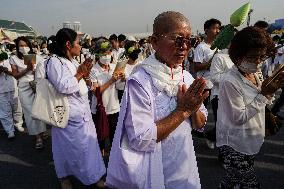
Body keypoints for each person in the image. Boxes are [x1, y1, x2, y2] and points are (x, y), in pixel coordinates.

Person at [106, 11, 208, 189]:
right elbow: (141, 139)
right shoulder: (140, 81)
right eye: (178, 39)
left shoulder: (186, 77)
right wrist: (182, 111)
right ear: (154, 41)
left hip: (184, 166)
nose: (184, 47)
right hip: (154, 169)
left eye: (189, 40)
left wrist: (194, 109)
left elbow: (200, 124)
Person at [216, 27, 284, 189]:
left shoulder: (256, 73)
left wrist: (270, 89)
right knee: (249, 184)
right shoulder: (229, 81)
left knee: (232, 180)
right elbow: (239, 117)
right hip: (235, 143)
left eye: (261, 57)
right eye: (252, 57)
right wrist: (264, 94)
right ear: (237, 55)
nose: (257, 62)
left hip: (252, 138)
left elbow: (264, 102)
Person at [46, 28, 105, 189]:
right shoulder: (54, 62)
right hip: (67, 114)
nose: (80, 46)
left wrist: (86, 77)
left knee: (87, 148)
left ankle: (93, 176)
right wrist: (80, 74)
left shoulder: (71, 61)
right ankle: (64, 177)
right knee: (70, 150)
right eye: (78, 43)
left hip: (82, 112)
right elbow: (63, 86)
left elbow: (81, 81)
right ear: (68, 44)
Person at [10, 36, 46, 149]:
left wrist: (35, 71)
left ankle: (41, 132)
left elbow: (42, 72)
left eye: (25, 45)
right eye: (21, 45)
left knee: (39, 109)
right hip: (23, 87)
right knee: (30, 112)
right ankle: (38, 137)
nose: (23, 47)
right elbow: (15, 76)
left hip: (36, 85)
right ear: (17, 47)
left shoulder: (36, 57)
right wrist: (27, 69)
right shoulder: (14, 58)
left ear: (29, 46)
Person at [89, 38, 124, 155]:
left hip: (114, 107)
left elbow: (118, 87)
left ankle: (114, 161)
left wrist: (122, 79)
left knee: (115, 136)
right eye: (104, 53)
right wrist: (111, 80)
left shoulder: (114, 66)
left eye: (109, 52)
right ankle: (99, 160)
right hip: (100, 109)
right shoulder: (93, 70)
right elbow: (96, 92)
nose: (107, 55)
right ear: (98, 54)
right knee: (100, 138)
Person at [193, 18, 221, 149]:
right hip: (205, 83)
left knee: (220, 114)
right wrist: (211, 63)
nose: (218, 31)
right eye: (215, 28)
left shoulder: (220, 47)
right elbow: (196, 67)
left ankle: (213, 135)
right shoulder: (201, 47)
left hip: (218, 86)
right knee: (201, 109)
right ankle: (197, 129)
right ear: (206, 30)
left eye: (219, 28)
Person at [0, 50, 24, 138]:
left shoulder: (9, 59)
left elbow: (15, 73)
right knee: (5, 112)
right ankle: (10, 131)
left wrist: (6, 71)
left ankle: (18, 124)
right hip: (1, 90)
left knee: (17, 107)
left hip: (13, 87)